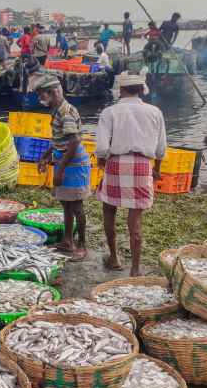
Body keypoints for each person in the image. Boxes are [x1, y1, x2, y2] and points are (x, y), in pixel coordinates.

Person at [95, 72, 167, 275]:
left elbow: (101, 147)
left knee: (109, 212)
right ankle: (135, 269)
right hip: (143, 166)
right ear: (141, 89)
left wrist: (102, 161)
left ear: (122, 90)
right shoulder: (155, 112)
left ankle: (115, 259)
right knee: (135, 223)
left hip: (116, 163)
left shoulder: (110, 112)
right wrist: (156, 171)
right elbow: (161, 148)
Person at [35, 75, 89, 261]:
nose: (40, 99)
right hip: (65, 160)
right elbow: (61, 139)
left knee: (76, 206)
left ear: (52, 93)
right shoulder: (57, 110)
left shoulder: (65, 112)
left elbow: (74, 141)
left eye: (42, 95)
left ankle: (81, 245)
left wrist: (60, 170)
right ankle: (67, 240)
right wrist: (46, 155)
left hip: (74, 164)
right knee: (66, 203)